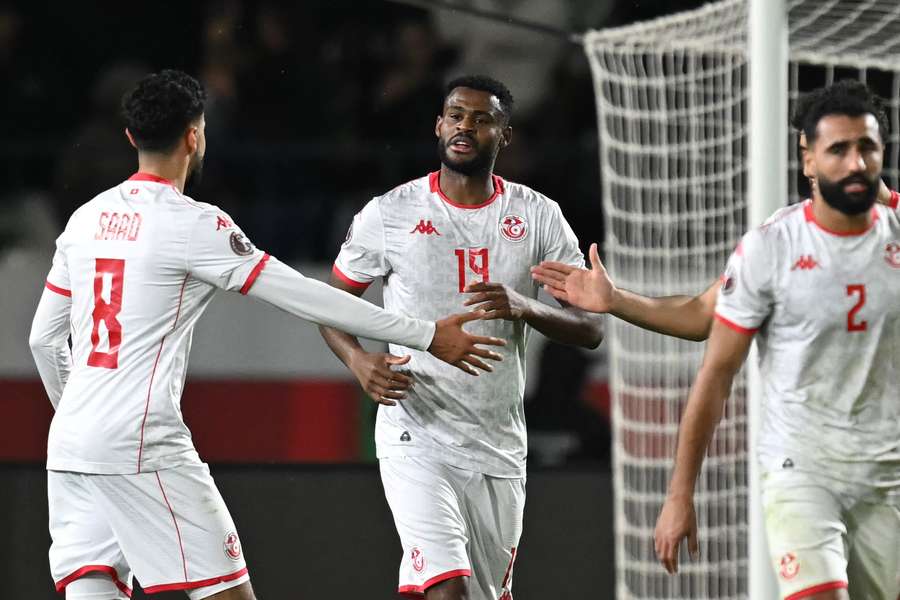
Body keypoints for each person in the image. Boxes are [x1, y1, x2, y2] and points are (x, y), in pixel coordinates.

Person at [28, 69, 505, 600]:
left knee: (94, 588)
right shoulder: (194, 224)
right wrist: (424, 333)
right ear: (195, 135)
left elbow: (43, 341)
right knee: (229, 593)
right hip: (140, 444)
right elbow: (307, 295)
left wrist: (79, 417)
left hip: (69, 444)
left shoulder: (84, 219)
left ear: (131, 138)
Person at [547, 81, 900, 599]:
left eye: (866, 148)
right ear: (808, 160)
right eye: (838, 149)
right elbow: (710, 350)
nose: (854, 163)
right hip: (801, 466)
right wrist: (679, 494)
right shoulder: (773, 247)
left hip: (886, 467)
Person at [318, 75, 604, 599]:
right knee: (446, 589)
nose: (465, 126)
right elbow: (331, 306)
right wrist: (359, 362)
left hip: (497, 440)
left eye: (481, 118)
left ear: (505, 136)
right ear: (438, 126)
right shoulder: (391, 213)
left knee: (479, 593)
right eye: (455, 115)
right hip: (414, 432)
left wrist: (523, 306)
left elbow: (590, 329)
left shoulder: (538, 216)